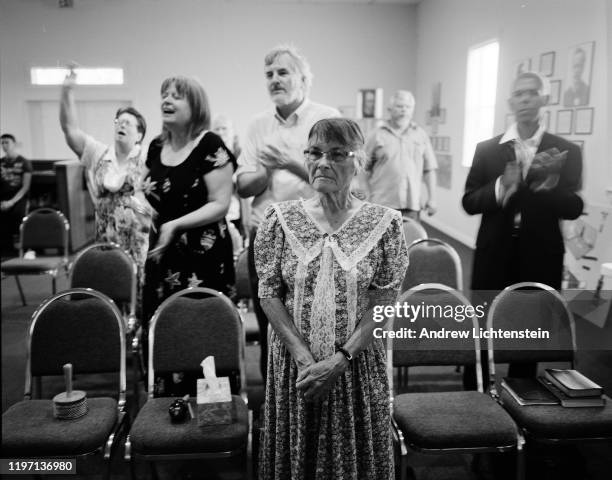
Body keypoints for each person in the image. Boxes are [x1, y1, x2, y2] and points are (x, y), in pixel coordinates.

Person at [255, 118, 408, 480]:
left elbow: (384, 301)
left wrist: (340, 360)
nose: (323, 162)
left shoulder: (385, 224)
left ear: (359, 162)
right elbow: (268, 294)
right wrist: (305, 359)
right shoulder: (279, 219)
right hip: (296, 367)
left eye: (337, 154)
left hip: (354, 368)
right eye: (315, 153)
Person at [462, 71, 583, 386]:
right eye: (520, 94)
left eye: (533, 93)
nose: (526, 99)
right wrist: (502, 186)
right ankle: (474, 394)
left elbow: (574, 208)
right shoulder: (488, 149)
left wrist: (551, 187)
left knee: (529, 334)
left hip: (540, 253)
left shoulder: (566, 150)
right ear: (510, 102)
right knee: (483, 326)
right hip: (494, 250)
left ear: (546, 99)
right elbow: (470, 201)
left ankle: (521, 396)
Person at [236, 45, 339, 378]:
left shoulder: (326, 119)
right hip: (265, 234)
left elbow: (338, 181)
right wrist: (265, 172)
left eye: (283, 72)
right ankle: (274, 403)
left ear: (304, 79)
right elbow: (243, 186)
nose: (275, 80)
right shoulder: (256, 125)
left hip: (314, 234)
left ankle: (314, 393)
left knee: (315, 323)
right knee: (271, 327)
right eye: (269, 75)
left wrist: (289, 162)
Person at [142, 77, 236, 394]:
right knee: (165, 326)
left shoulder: (210, 145)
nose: (166, 100)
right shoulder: (157, 145)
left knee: (202, 327)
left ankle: (214, 408)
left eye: (176, 96)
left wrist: (175, 224)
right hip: (162, 253)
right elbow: (148, 190)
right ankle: (169, 402)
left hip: (203, 256)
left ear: (195, 106)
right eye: (164, 95)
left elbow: (220, 204)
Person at [60, 70, 151, 280]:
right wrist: (67, 92)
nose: (121, 124)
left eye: (128, 122)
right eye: (119, 121)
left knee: (138, 296)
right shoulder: (98, 153)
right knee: (109, 292)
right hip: (105, 241)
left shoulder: (148, 156)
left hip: (138, 243)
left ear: (139, 135)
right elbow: (69, 129)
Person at [361, 90, 438, 221]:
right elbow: (362, 168)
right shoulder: (376, 135)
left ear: (412, 110)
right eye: (399, 106)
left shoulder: (421, 135)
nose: (404, 110)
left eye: (408, 107)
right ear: (389, 109)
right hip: (382, 204)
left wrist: (432, 198)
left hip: (412, 205)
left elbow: (429, 169)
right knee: (381, 241)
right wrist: (366, 194)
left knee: (410, 240)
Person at [1, 134, 32, 256]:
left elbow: (25, 187)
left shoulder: (24, 163)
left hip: (19, 198)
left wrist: (11, 202)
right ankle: (6, 251)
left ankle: (24, 249)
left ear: (14, 144)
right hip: (3, 198)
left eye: (6, 142)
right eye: (2, 143)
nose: (4, 146)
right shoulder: (1, 163)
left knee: (18, 216)